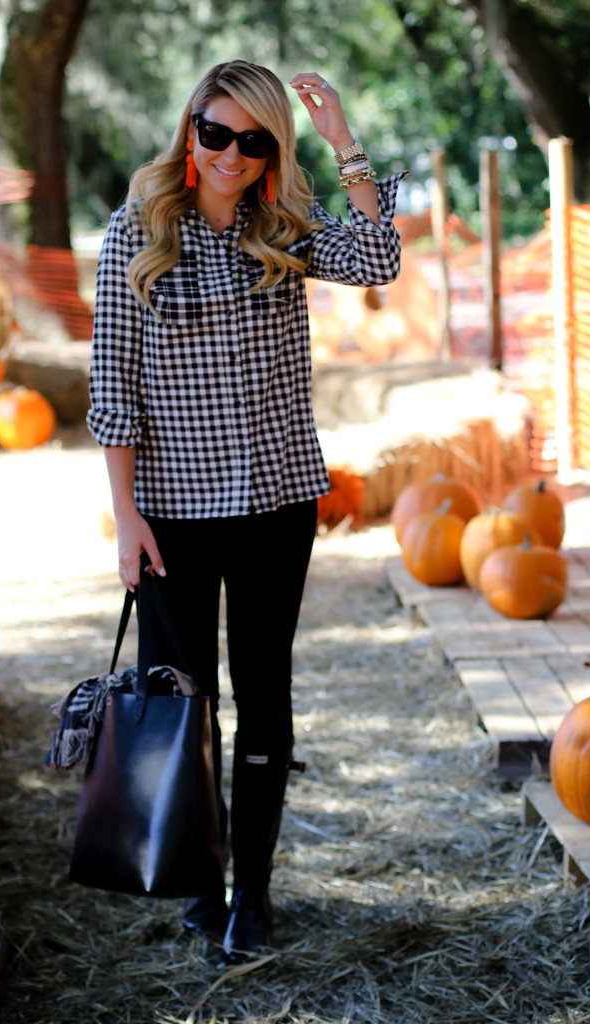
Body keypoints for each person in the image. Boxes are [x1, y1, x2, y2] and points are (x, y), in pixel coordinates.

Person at [87, 59, 406, 961]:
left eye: (253, 141)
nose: (231, 154)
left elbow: (378, 255)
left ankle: (251, 897)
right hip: (173, 514)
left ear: (271, 152)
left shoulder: (286, 228)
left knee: (265, 700)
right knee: (187, 708)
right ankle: (200, 879)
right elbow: (113, 390)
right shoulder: (134, 236)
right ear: (191, 131)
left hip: (274, 507)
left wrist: (342, 139)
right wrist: (124, 516)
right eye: (216, 133)